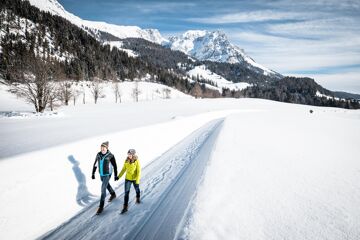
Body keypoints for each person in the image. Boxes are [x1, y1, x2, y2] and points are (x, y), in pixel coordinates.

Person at [92, 141, 119, 215]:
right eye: (101, 147)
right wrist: (93, 173)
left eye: (104, 147)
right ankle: (113, 194)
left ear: (107, 148)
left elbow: (115, 166)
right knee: (106, 185)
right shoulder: (98, 155)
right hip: (101, 174)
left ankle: (101, 206)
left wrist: (115, 175)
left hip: (108, 174)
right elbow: (95, 164)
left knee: (103, 188)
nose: (102, 149)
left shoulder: (110, 155)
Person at [118, 149, 141, 214]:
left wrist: (137, 180)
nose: (129, 155)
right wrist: (118, 176)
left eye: (130, 154)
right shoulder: (126, 161)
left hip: (134, 179)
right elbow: (123, 169)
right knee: (126, 193)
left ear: (133, 154)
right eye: (128, 154)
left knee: (137, 189)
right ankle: (125, 207)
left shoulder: (136, 161)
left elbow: (139, 171)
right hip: (127, 179)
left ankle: (138, 197)